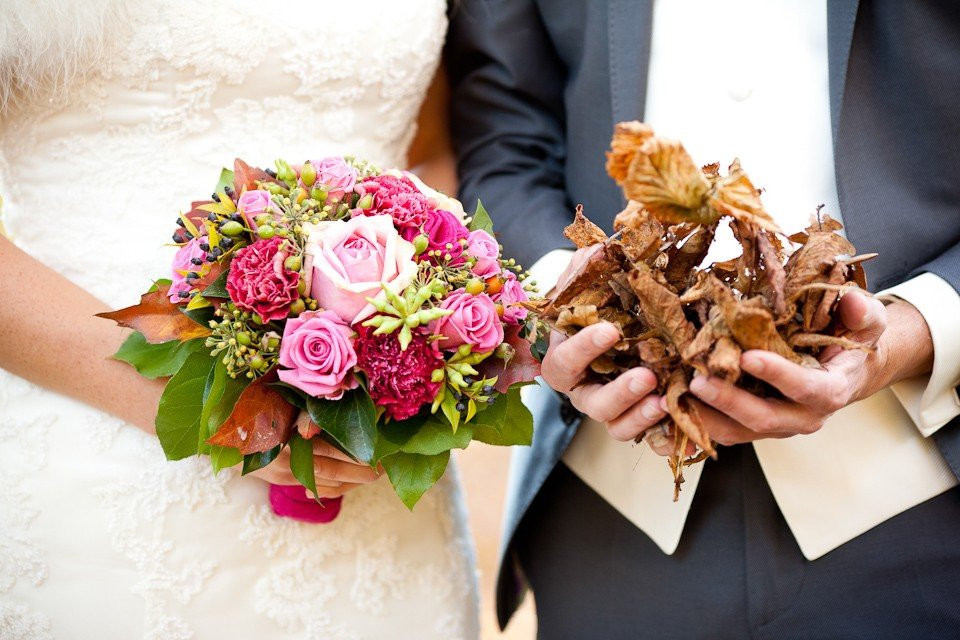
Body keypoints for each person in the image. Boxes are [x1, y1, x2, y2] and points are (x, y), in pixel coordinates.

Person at [447, 0, 960, 637]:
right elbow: (505, 142)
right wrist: (568, 299)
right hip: (606, 509)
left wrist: (915, 328)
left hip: (922, 499)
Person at [0, 1, 479, 638]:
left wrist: (413, 337)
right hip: (102, 455)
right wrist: (215, 408)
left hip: (375, 485)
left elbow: (432, 151)